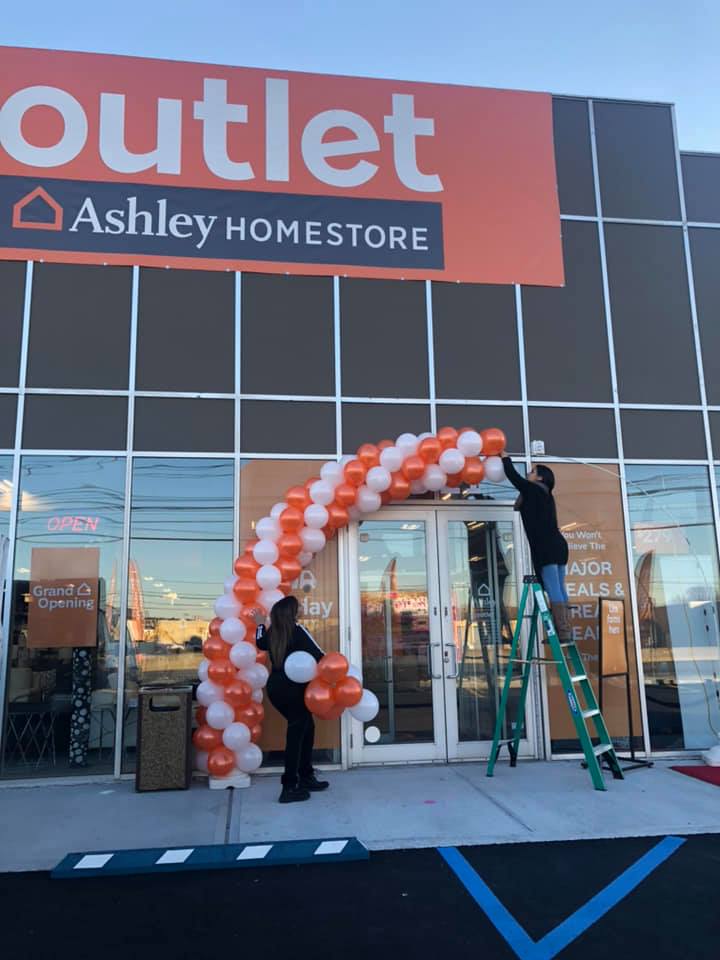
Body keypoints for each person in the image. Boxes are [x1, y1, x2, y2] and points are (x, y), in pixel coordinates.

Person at [252, 596, 329, 804]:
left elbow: (259, 642)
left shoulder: (273, 632)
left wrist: (260, 624)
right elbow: (320, 655)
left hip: (276, 688)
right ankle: (289, 786)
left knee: (306, 727)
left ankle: (306, 776)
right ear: (292, 612)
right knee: (297, 733)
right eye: (298, 607)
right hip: (294, 690)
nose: (301, 609)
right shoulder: (298, 630)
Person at [501, 453, 570, 634]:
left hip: (547, 548)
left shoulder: (533, 490)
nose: (528, 474)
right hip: (558, 546)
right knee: (559, 587)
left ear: (540, 478)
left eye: (532, 472)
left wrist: (504, 457)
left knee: (553, 588)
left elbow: (513, 476)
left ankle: (562, 631)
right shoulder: (546, 495)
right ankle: (566, 629)